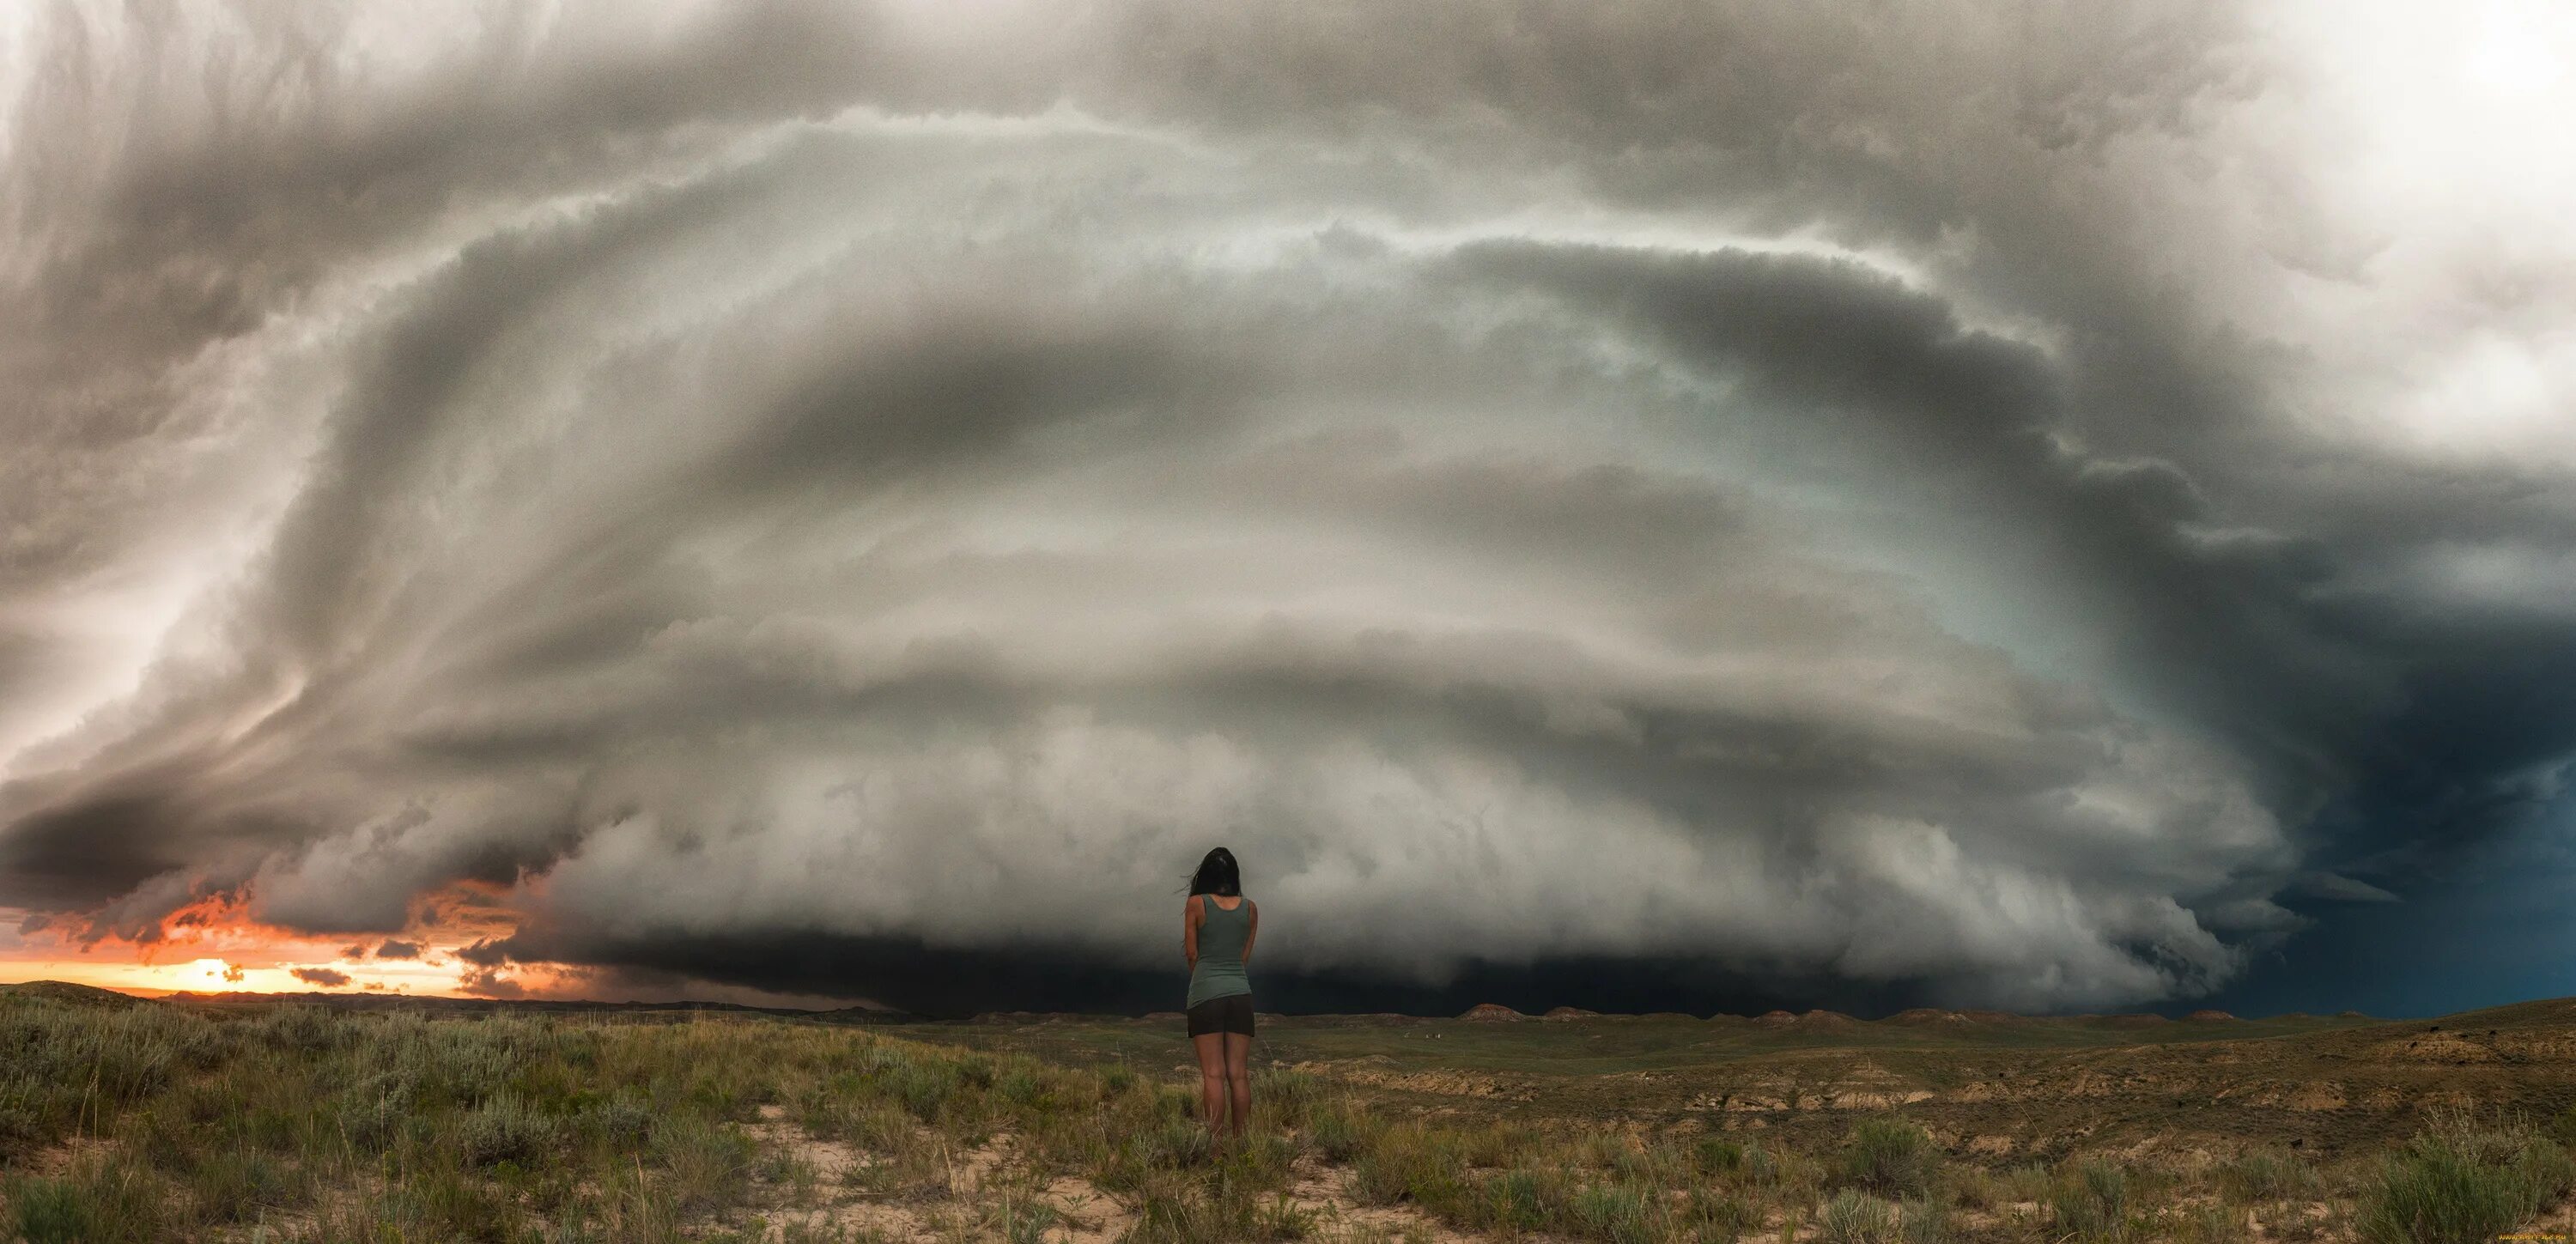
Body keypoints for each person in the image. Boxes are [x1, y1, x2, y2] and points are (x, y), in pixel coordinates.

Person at [1182, 846, 1257, 1149]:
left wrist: (1204, 980)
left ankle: (1215, 1148)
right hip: (1241, 993)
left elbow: (1192, 954)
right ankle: (1242, 1147)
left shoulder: (1196, 904)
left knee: (1213, 1075)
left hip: (1206, 993)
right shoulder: (1251, 908)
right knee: (1238, 1074)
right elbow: (1244, 958)